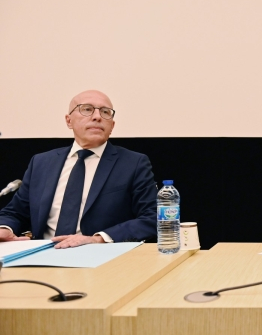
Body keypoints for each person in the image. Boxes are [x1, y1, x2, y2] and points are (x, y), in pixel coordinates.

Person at [0, 90, 157, 248]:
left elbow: (153, 217)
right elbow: (15, 212)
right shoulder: (42, 162)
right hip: (42, 255)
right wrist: (4, 228)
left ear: (112, 126)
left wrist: (98, 239)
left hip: (102, 257)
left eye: (105, 112)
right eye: (87, 109)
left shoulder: (133, 163)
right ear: (69, 121)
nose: (97, 117)